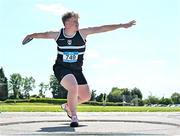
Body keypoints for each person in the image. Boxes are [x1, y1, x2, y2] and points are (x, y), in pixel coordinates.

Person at [22, 11, 136, 127]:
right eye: (74, 21)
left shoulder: (82, 33)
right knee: (73, 86)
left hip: (77, 70)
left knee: (86, 96)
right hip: (62, 68)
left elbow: (102, 28)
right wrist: (31, 35)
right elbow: (44, 34)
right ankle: (74, 116)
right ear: (66, 23)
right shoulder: (58, 35)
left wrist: (122, 25)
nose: (77, 23)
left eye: (78, 21)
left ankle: (67, 106)